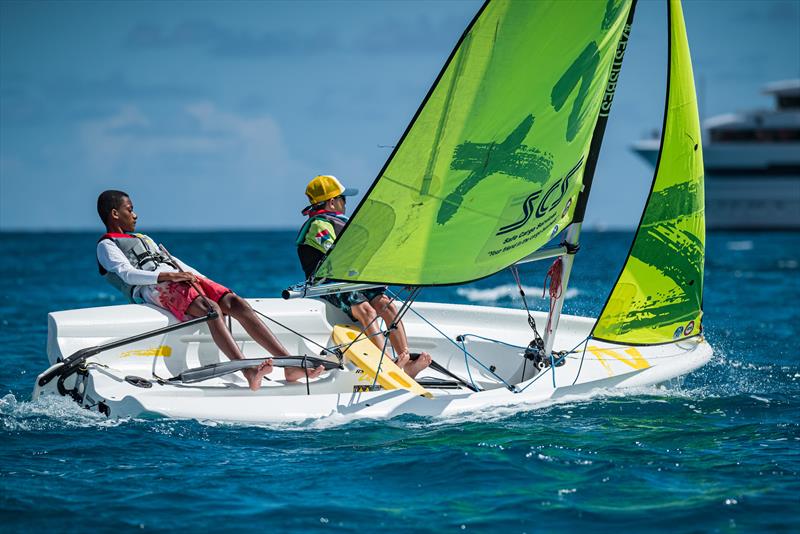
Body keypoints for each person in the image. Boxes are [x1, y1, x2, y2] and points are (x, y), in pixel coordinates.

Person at [96, 190, 323, 390]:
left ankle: (289, 365)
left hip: (179, 278)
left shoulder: (143, 238)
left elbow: (173, 260)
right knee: (211, 309)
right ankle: (249, 371)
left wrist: (203, 280)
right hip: (153, 288)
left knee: (236, 303)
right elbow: (127, 274)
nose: (135, 215)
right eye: (130, 210)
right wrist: (171, 276)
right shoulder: (106, 246)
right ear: (115, 214)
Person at [296, 175, 432, 378]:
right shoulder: (319, 226)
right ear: (332, 202)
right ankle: (387, 363)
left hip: (350, 280)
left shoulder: (340, 223)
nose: (345, 204)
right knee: (366, 310)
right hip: (330, 283)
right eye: (343, 199)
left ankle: (406, 361)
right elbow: (337, 256)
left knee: (387, 305)